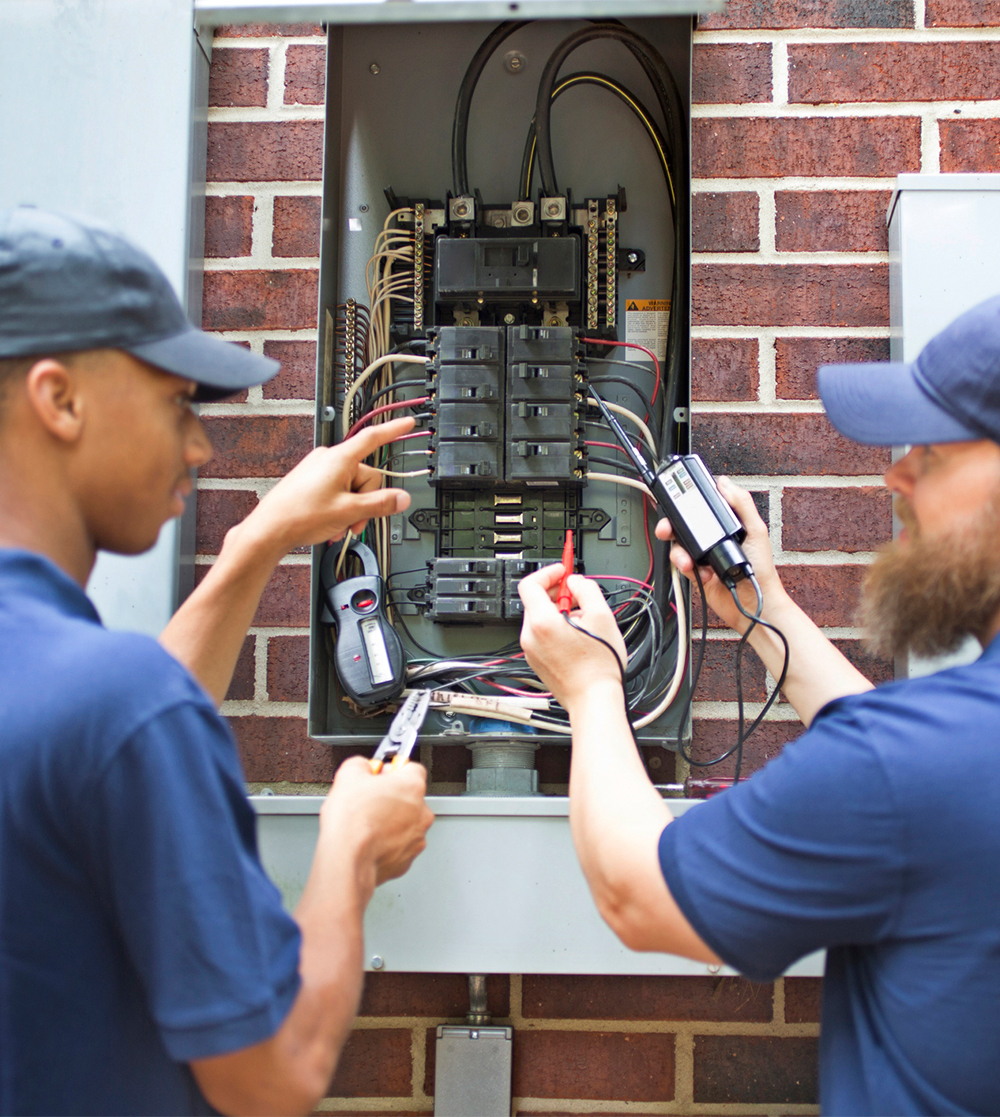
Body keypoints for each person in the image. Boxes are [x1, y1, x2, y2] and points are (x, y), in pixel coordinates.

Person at [518, 294, 1000, 1116]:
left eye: (935, 450)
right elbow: (918, 768)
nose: (898, 473)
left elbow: (640, 895)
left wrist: (594, 686)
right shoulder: (941, 752)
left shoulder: (912, 765)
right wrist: (763, 609)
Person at [0, 205, 434, 1116]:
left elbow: (102, 749)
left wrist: (256, 543)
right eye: (175, 401)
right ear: (59, 398)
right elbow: (272, 1075)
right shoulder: (122, 704)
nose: (199, 444)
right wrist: (352, 847)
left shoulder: (80, 694)